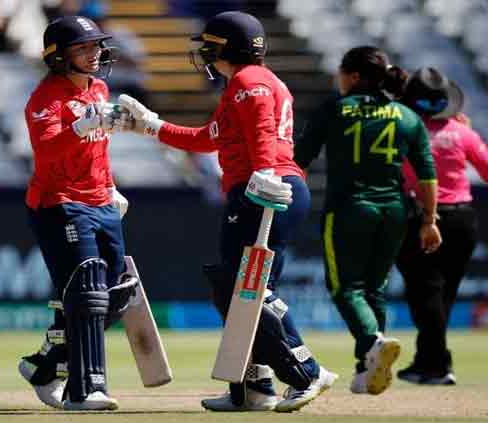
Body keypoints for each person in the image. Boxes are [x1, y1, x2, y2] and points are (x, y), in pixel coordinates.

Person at [117, 11, 337, 413]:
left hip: (265, 188)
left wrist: (265, 172)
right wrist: (149, 126)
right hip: (264, 186)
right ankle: (253, 387)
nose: (204, 54)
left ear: (226, 48)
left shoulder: (247, 81)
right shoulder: (254, 82)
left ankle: (307, 371)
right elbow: (207, 139)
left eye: (210, 47)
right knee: (240, 293)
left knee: (249, 292)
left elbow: (262, 134)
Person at [294, 46, 441, 396]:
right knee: (374, 289)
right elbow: (427, 176)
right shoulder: (406, 116)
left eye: (342, 72)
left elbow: (300, 160)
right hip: (395, 212)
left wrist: (288, 200)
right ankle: (366, 369)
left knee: (345, 288)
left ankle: (372, 342)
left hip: (349, 208)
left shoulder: (334, 109)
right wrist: (430, 221)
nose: (338, 78)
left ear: (354, 76)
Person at [16, 15, 137, 411]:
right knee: (86, 293)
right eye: (83, 48)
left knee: (117, 292)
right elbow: (48, 152)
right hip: (60, 202)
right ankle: (86, 390)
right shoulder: (44, 99)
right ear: (58, 57)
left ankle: (47, 363)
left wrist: (110, 185)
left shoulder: (99, 87)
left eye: (96, 46)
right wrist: (81, 127)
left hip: (99, 199)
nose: (95, 53)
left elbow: (98, 149)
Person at [395, 67, 488, 385]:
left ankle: (437, 365)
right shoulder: (461, 132)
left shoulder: (399, 129)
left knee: (425, 295)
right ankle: (427, 362)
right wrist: (470, 135)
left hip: (420, 216)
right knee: (441, 296)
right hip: (461, 219)